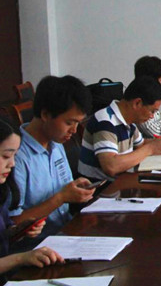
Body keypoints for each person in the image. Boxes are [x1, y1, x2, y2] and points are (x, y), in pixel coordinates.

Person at [10, 76, 96, 243]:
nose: (74, 130)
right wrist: (61, 198)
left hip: (66, 230)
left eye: (78, 123)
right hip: (36, 246)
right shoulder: (16, 157)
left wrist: (76, 189)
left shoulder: (56, 143)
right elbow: (13, 224)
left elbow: (64, 191)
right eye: (69, 122)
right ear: (45, 114)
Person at [79, 76, 161, 181]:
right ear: (137, 103)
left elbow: (141, 144)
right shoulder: (105, 121)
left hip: (121, 181)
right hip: (101, 187)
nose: (152, 116)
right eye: (152, 111)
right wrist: (151, 148)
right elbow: (111, 166)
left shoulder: (129, 120)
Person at [0, 117, 65, 277]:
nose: (12, 164)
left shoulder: (3, 191)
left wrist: (20, 230)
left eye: (15, 156)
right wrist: (21, 258)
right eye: (6, 156)